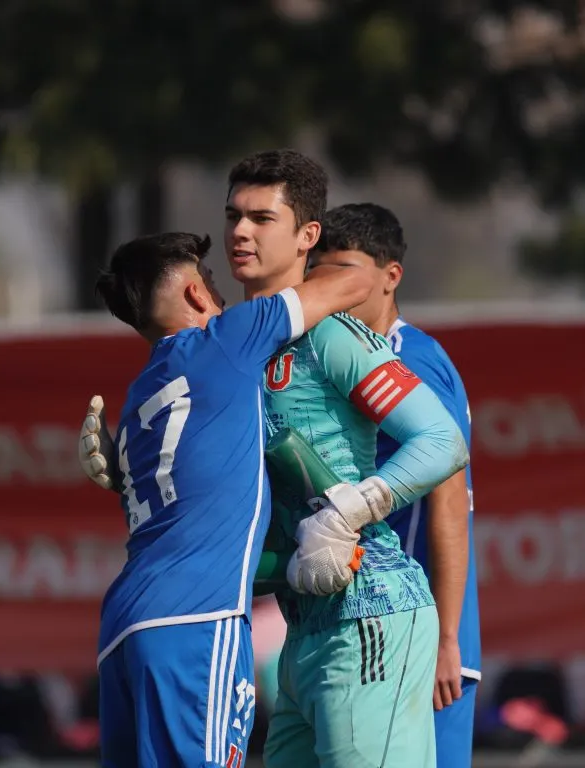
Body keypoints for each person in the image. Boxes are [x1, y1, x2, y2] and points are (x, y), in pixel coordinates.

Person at [83, 231, 372, 768]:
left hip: (124, 627)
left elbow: (203, 531)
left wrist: (292, 565)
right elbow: (356, 281)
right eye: (213, 282)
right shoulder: (226, 339)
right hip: (196, 622)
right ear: (196, 295)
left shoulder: (141, 398)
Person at [223, 149, 469, 768]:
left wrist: (349, 510)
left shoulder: (332, 336)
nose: (239, 232)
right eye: (232, 216)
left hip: (371, 619)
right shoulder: (230, 347)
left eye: (260, 218)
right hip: (298, 632)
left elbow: (443, 443)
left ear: (307, 236)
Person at [310, 203, 481, 768]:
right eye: (323, 272)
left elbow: (450, 501)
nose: (335, 286)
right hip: (379, 624)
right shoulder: (347, 356)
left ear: (390, 275)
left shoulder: (413, 361)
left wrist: (448, 640)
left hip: (420, 631)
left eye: (348, 270)